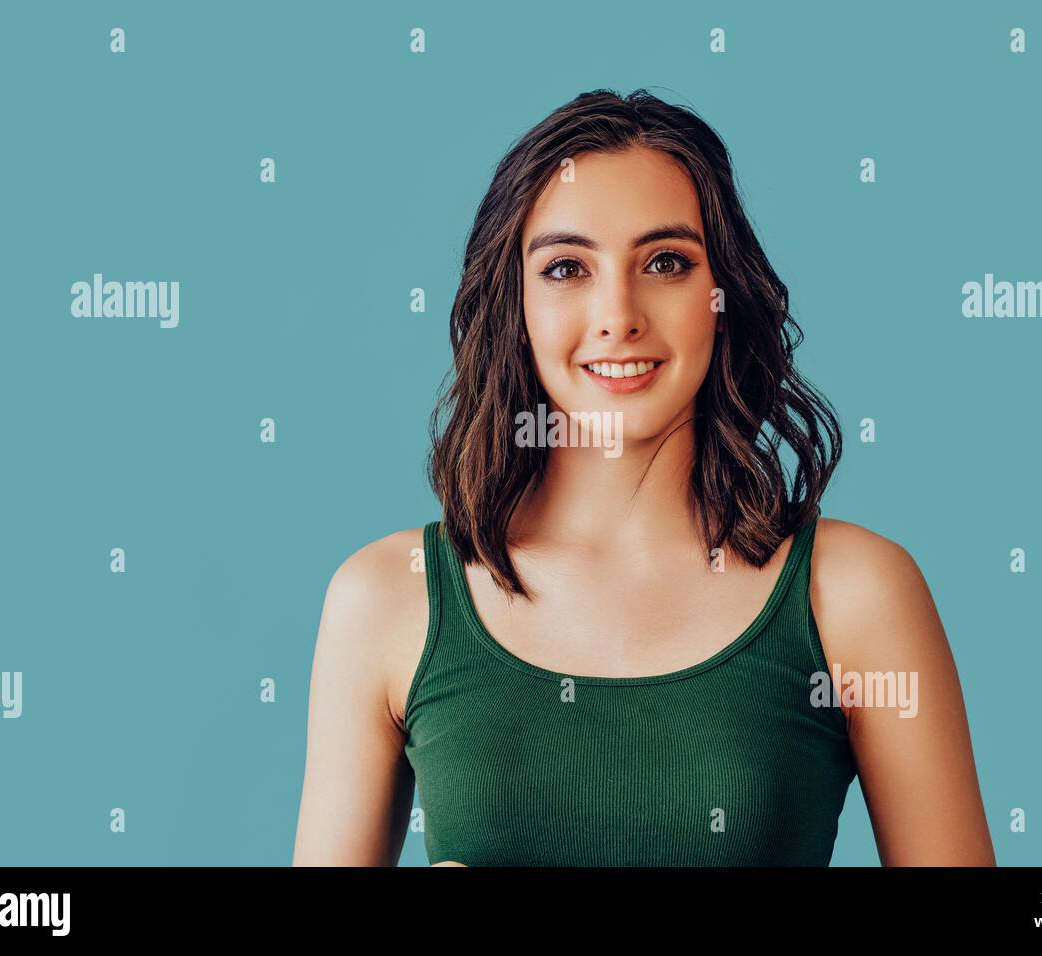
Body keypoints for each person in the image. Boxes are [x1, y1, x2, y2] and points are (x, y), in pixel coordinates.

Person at [293, 89, 995, 867]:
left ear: (723, 294)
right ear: (513, 305)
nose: (617, 314)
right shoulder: (387, 599)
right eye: (566, 268)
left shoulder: (856, 592)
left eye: (666, 262)